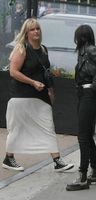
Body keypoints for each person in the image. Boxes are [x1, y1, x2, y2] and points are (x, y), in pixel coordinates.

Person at [2, 18, 73, 173]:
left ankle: (57, 160)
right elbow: (13, 72)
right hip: (21, 96)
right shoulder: (22, 48)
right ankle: (8, 158)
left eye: (37, 29)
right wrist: (32, 82)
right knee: (17, 128)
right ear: (26, 32)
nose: (36, 32)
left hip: (41, 97)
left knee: (48, 126)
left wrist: (51, 91)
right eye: (32, 29)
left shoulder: (43, 49)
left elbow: (45, 73)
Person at [66, 25, 96, 191]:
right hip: (86, 94)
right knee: (87, 135)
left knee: (83, 136)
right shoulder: (85, 51)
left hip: (89, 94)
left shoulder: (89, 50)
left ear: (80, 37)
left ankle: (83, 176)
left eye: (78, 36)